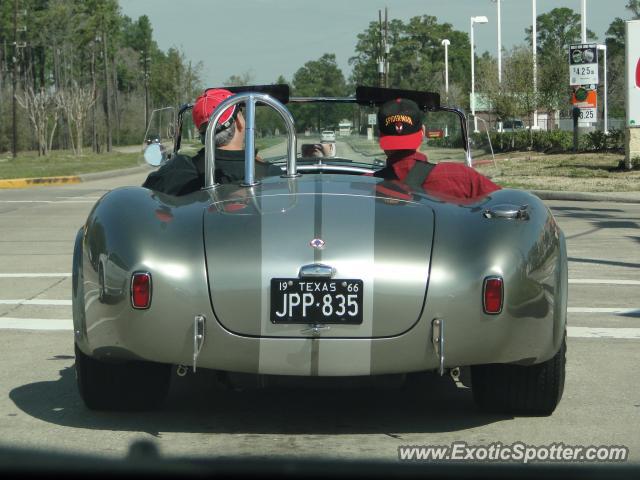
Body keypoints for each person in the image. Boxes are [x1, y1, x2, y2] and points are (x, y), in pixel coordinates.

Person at [143, 88, 275, 196]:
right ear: (240, 122)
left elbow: (146, 201)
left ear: (202, 133)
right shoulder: (272, 174)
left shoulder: (173, 172)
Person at [373, 98, 501, 201]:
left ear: (380, 136)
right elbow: (505, 203)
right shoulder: (463, 177)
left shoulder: (366, 185)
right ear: (422, 132)